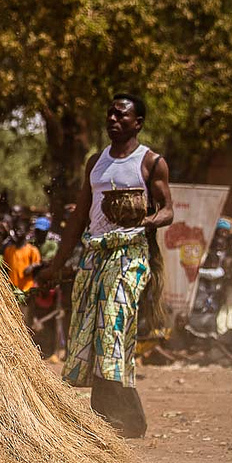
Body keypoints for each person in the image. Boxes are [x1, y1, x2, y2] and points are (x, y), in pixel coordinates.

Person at [38, 93, 173, 437]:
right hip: (95, 254)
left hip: (130, 253)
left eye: (121, 115)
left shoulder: (151, 162)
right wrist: (56, 265)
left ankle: (119, 416)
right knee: (90, 329)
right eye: (109, 113)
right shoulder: (95, 162)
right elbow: (81, 215)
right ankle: (114, 417)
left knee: (112, 321)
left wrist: (148, 221)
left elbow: (169, 209)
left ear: (137, 123)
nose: (113, 119)